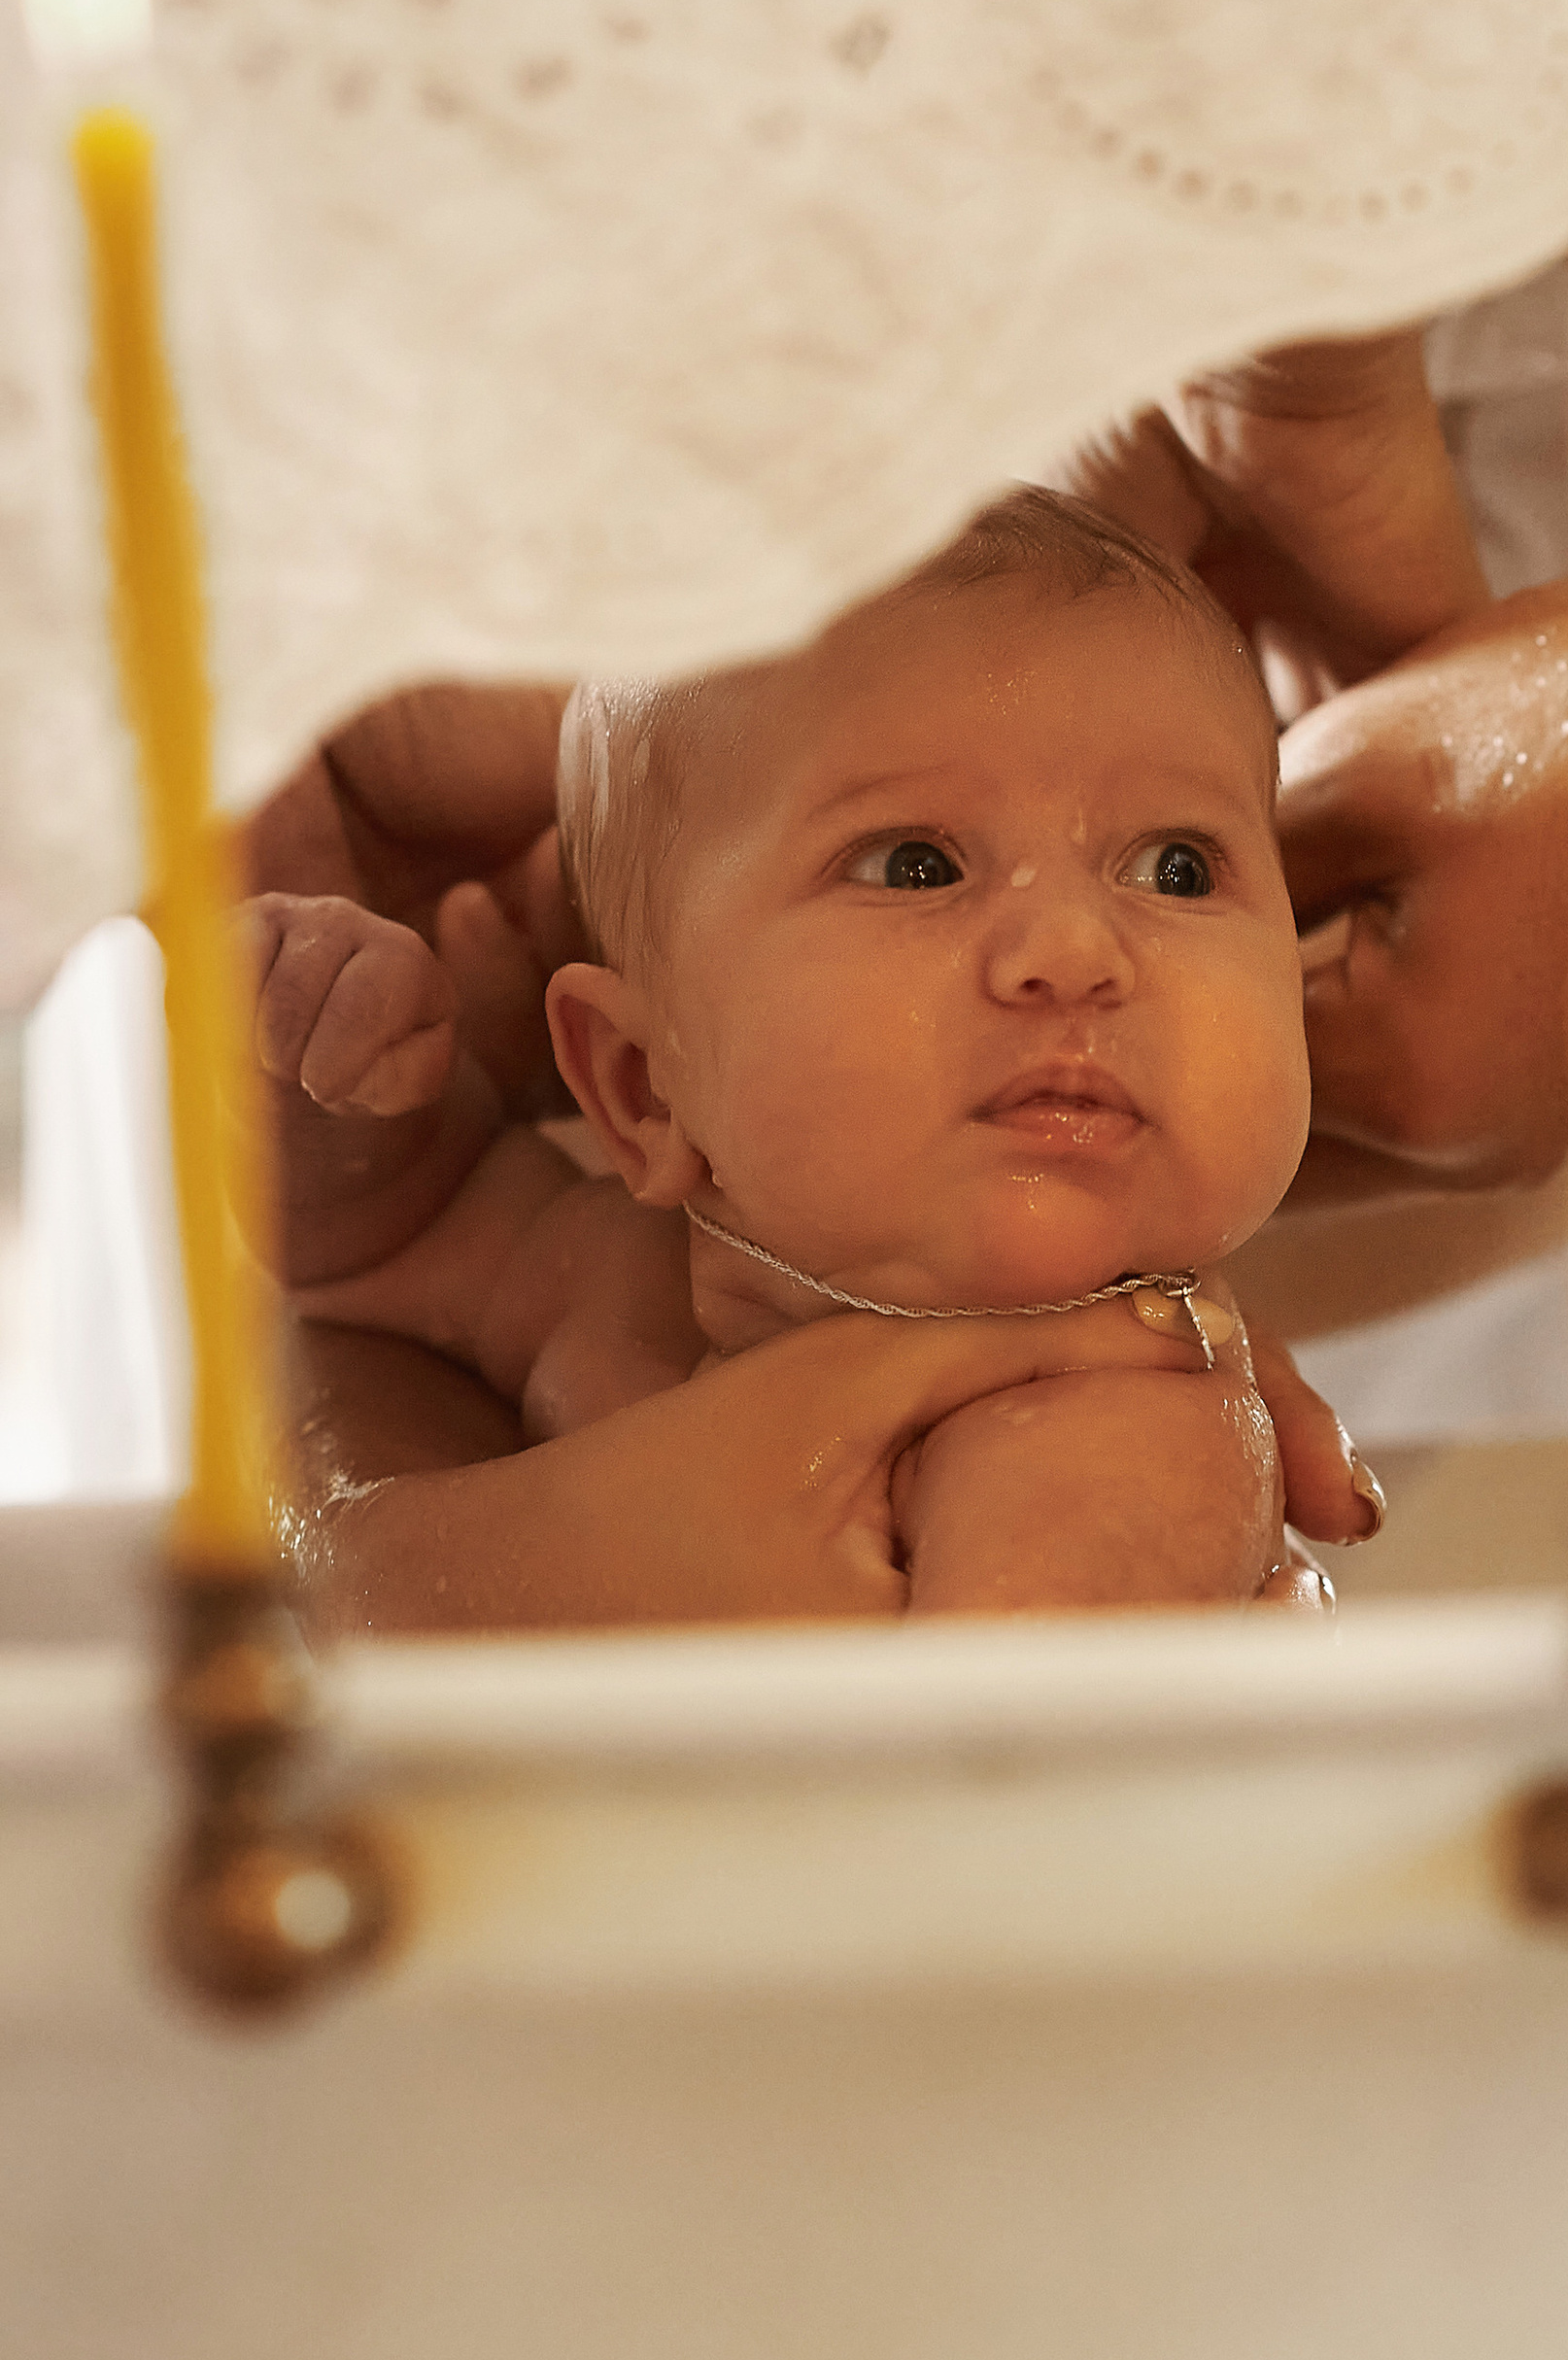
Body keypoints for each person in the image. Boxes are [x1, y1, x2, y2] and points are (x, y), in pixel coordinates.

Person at [242, 490, 1377, 1624]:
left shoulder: (1132, 1421)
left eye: (1176, 868)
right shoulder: (611, 1285)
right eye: (916, 866)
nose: (1074, 951)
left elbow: (1019, 1738)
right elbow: (382, 1249)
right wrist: (333, 1088)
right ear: (641, 1088)